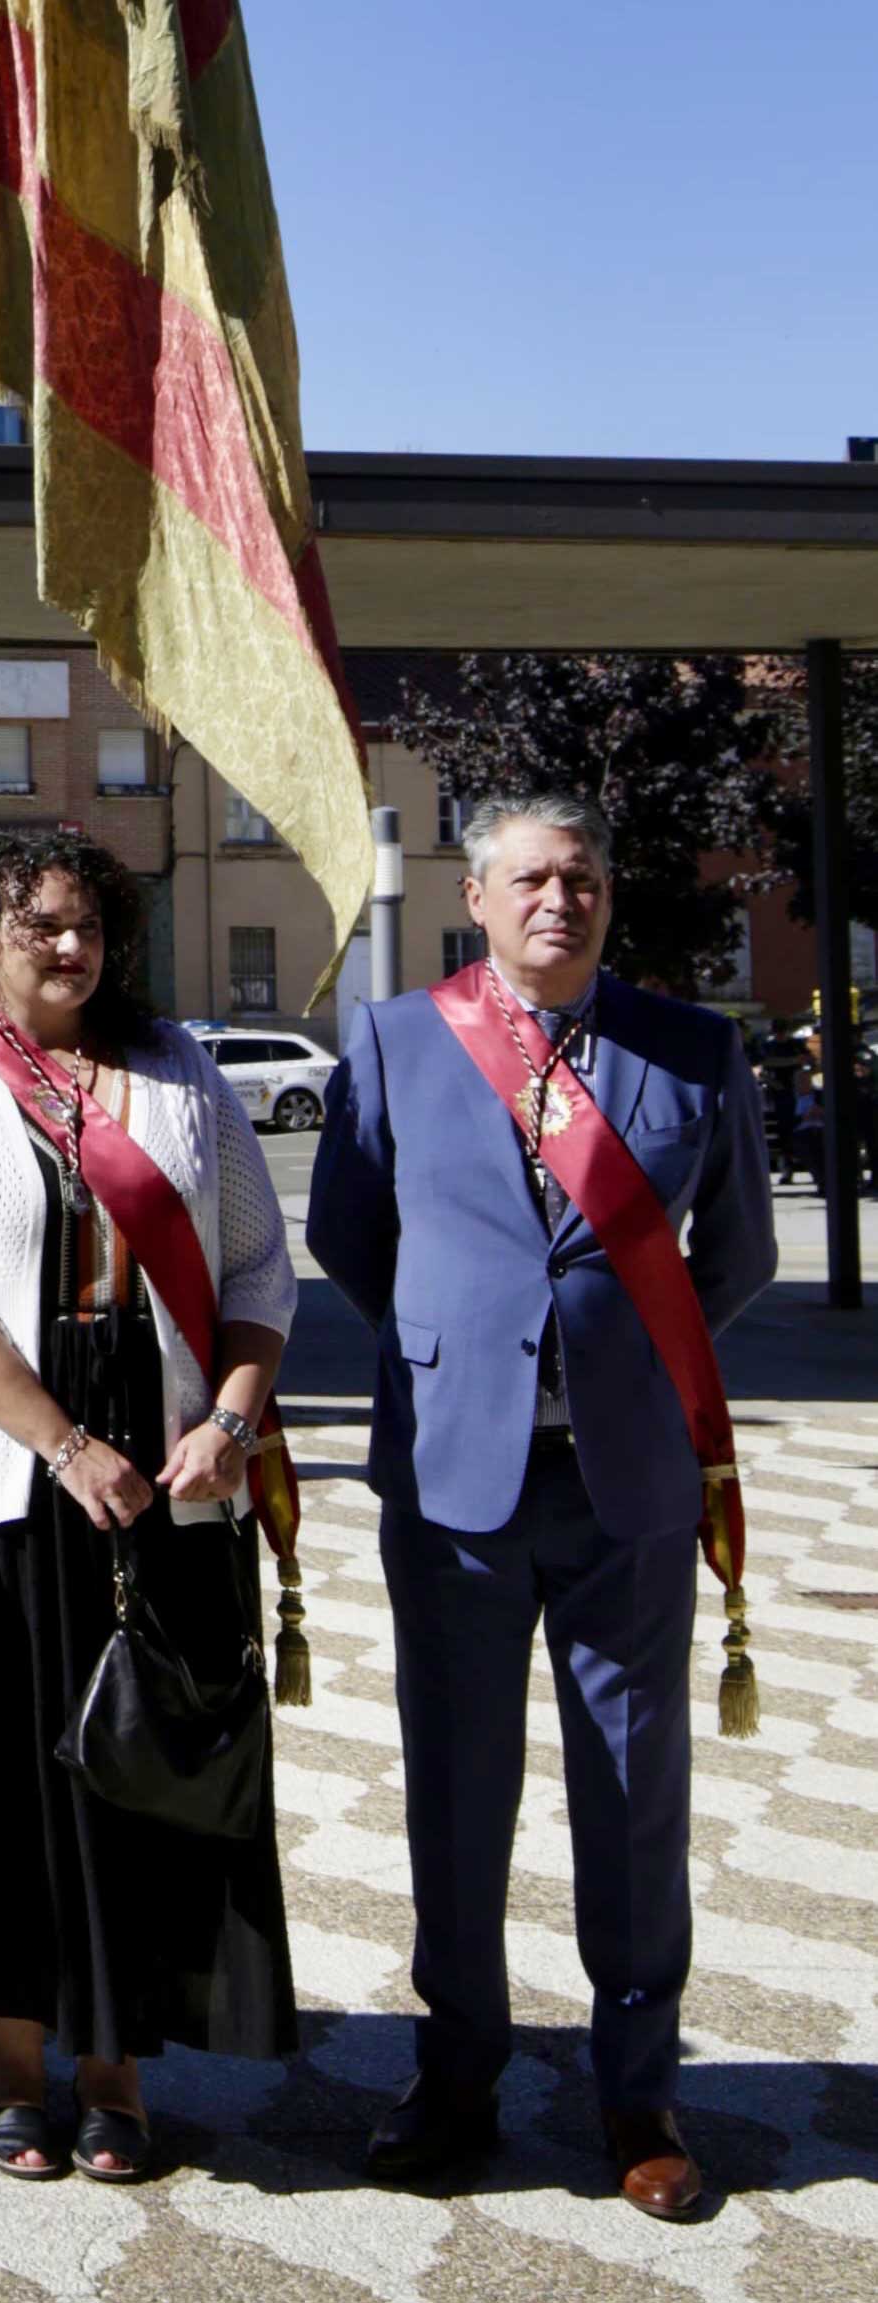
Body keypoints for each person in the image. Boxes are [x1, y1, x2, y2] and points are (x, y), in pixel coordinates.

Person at [307, 792, 774, 2222]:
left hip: (622, 1480)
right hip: (455, 1477)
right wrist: (464, 1348)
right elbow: (347, 1232)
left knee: (634, 1795)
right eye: (529, 877)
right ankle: (454, 2074)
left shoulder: (692, 1049)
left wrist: (623, 1356)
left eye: (579, 876)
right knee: (456, 1783)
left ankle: (635, 2090)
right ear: (476, 893)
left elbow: (739, 1253)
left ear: (608, 896)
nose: (556, 898)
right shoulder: (392, 1039)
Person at [0, 829, 300, 2185]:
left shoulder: (181, 1071)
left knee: (142, 1771)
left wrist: (228, 1418)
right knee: (1, 1775)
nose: (66, 943)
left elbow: (263, 1268)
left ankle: (119, 2065)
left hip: (166, 1475)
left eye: (86, 921)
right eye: (36, 920)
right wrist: (59, 1443)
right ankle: (15, 2061)